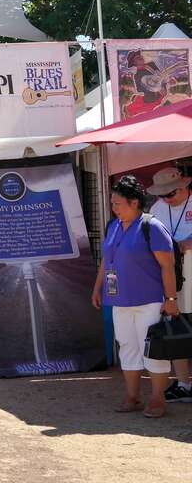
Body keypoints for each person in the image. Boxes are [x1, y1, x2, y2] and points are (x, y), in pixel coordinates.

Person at [92, 175, 179, 418]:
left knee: (152, 350)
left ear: (134, 203)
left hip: (149, 300)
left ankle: (157, 399)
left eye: (117, 203)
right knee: (127, 348)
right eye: (112, 204)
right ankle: (133, 397)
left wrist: (171, 301)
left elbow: (167, 265)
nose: (113, 208)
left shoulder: (151, 226)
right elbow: (106, 261)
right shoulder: (113, 226)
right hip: (119, 300)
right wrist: (97, 287)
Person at [147, 167, 192, 403]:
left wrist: (187, 243)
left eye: (170, 193)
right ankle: (184, 383)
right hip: (172, 275)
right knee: (176, 325)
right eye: (162, 195)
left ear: (184, 186)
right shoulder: (157, 209)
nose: (166, 199)